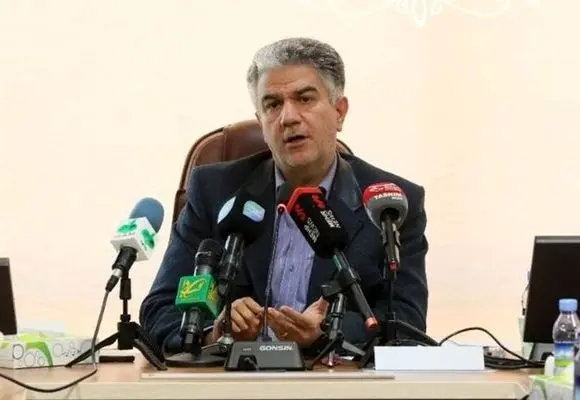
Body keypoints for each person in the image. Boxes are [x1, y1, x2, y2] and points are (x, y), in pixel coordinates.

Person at [139, 37, 429, 356]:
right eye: (273, 104)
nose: (288, 117)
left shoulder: (389, 204)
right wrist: (214, 333)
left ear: (339, 112)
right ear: (261, 121)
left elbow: (407, 323)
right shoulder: (215, 191)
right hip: (231, 376)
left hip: (331, 377)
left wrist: (327, 332)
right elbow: (159, 311)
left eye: (304, 99)